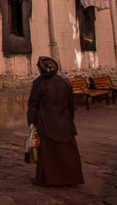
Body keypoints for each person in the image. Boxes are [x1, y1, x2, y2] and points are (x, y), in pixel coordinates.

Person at [27, 56, 84, 187]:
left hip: (45, 122)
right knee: (67, 152)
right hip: (64, 121)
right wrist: (69, 120)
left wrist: (31, 122)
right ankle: (71, 178)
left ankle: (47, 179)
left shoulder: (39, 83)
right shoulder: (65, 82)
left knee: (47, 153)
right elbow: (71, 106)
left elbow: (33, 104)